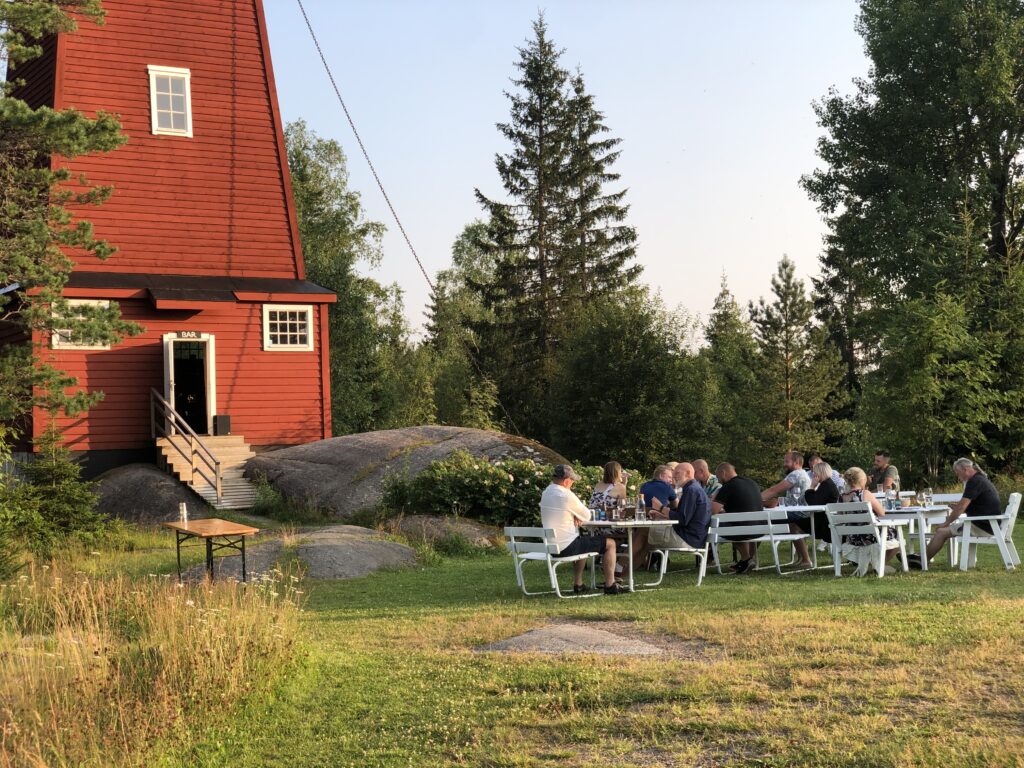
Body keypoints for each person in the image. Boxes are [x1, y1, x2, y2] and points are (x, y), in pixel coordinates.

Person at [540, 464, 624, 594]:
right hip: (566, 547)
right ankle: (610, 585)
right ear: (567, 481)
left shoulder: (546, 492)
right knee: (610, 544)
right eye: (572, 482)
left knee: (583, 541)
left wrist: (575, 515)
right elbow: (587, 515)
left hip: (551, 546)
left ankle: (578, 584)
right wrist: (578, 515)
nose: (572, 485)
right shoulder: (566, 495)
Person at [909, 458, 1002, 568]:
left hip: (982, 526)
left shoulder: (974, 482)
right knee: (942, 531)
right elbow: (974, 505)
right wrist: (957, 507)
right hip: (989, 524)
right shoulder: (980, 480)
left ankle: (922, 560)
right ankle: (921, 557)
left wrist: (947, 522)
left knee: (941, 532)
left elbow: (961, 508)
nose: (958, 477)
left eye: (958, 474)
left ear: (966, 470)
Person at [838, 466, 900, 576]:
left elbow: (840, 516)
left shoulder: (841, 497)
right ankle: (879, 565)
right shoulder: (865, 494)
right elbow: (881, 513)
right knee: (896, 537)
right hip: (869, 536)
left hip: (852, 538)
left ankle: (875, 564)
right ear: (862, 480)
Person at [711, 463, 764, 574]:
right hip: (761, 529)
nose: (718, 481)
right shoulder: (751, 482)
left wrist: (715, 495)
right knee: (736, 523)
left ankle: (746, 559)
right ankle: (745, 561)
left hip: (743, 530)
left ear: (723, 473)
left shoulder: (728, 486)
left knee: (718, 523)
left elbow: (713, 510)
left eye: (718, 477)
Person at [648, 462, 712, 552]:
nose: (674, 477)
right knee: (646, 535)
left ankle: (624, 565)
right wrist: (662, 516)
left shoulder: (691, 490)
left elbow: (682, 519)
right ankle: (633, 564)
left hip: (688, 539)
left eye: (677, 473)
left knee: (645, 532)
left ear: (688, 473)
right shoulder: (694, 488)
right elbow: (684, 516)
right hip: (692, 538)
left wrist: (661, 508)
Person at [790, 460, 841, 549]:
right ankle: (803, 558)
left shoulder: (826, 485)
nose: (813, 475)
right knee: (795, 523)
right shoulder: (827, 484)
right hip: (824, 519)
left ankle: (804, 559)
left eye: (815, 472)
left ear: (820, 473)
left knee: (794, 525)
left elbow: (813, 502)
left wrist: (812, 487)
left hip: (822, 523)